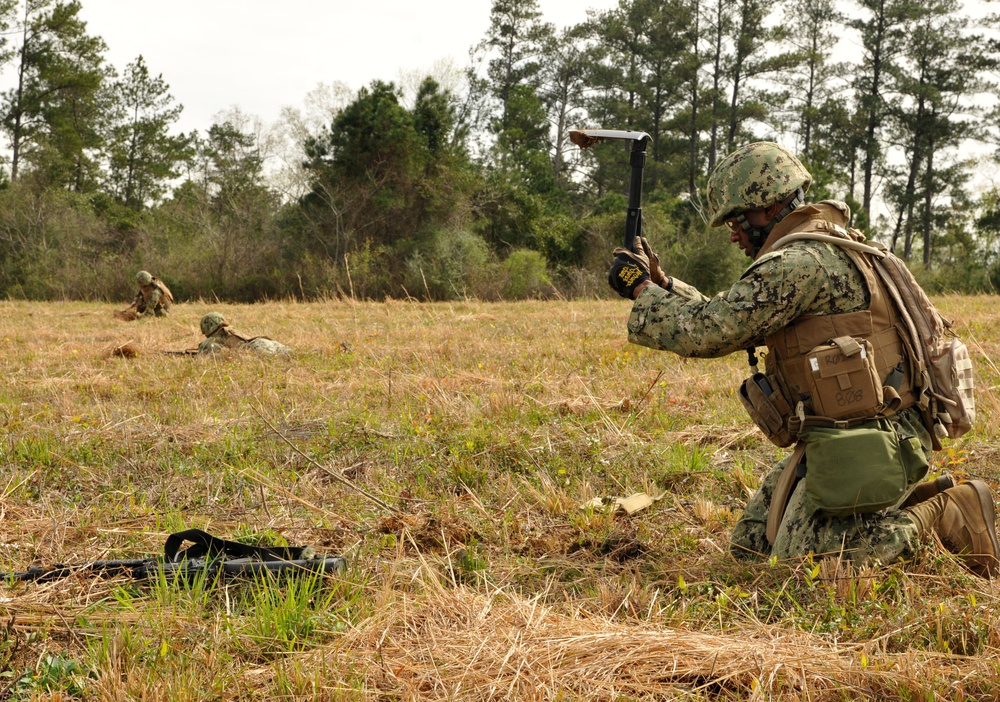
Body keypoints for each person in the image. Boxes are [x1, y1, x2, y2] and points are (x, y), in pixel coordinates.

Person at [607, 141, 999, 578]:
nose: (733, 233)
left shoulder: (799, 264)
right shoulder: (819, 248)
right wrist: (661, 283)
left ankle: (948, 511)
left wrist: (642, 290)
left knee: (806, 567)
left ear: (769, 205)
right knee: (753, 545)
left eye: (737, 220)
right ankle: (887, 508)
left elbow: (713, 331)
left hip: (877, 439)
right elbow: (731, 316)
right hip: (847, 435)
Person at [198, 312, 291, 356]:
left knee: (269, 360)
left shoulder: (211, 340)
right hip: (264, 341)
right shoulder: (230, 330)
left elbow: (205, 356)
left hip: (256, 348)